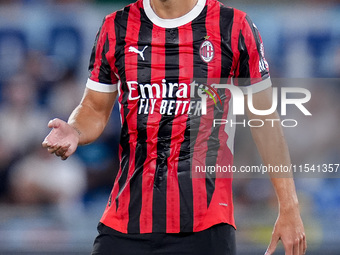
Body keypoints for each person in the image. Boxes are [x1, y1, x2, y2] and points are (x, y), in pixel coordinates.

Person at [42, 0, 307, 254]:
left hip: (205, 225)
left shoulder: (233, 27)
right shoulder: (116, 27)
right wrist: (75, 130)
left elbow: (265, 121)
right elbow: (94, 108)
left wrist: (289, 206)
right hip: (126, 221)